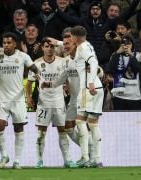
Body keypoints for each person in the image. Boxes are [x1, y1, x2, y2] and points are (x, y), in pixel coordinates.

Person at [0, 32, 38, 169]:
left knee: (19, 128)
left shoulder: (22, 57)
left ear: (15, 44)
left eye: (9, 43)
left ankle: (17, 161)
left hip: (18, 100)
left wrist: (37, 77)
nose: (6, 45)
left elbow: (34, 68)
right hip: (2, 100)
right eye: (4, 43)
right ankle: (4, 155)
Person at [26, 37, 77, 169]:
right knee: (41, 132)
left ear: (55, 48)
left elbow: (67, 79)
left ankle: (68, 160)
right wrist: (29, 97)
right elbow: (30, 82)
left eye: (52, 47)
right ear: (42, 48)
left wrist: (68, 89)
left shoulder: (61, 62)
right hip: (43, 103)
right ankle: (39, 161)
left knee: (63, 131)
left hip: (59, 102)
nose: (49, 49)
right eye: (46, 46)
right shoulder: (36, 64)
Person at [70, 25, 104, 168]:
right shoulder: (87, 44)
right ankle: (96, 159)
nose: (70, 39)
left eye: (71, 37)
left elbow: (93, 62)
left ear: (75, 37)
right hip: (97, 88)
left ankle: (85, 157)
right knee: (93, 124)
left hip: (87, 89)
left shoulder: (82, 48)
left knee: (80, 122)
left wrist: (90, 83)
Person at [105, 35, 141, 110]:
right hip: (119, 95)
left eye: (129, 43)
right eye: (124, 43)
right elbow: (109, 69)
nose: (126, 46)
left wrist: (131, 55)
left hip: (134, 96)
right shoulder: (115, 55)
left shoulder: (138, 55)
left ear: (133, 45)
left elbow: (138, 69)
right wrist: (117, 53)